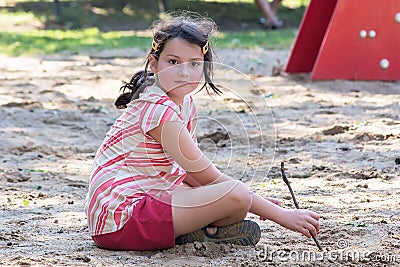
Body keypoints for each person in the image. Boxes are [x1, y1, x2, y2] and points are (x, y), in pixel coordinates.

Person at [84, 14, 320, 251]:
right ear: (154, 64)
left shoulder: (184, 104)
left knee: (235, 202)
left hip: (146, 205)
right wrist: (280, 214)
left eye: (194, 64)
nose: (184, 73)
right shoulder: (157, 110)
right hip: (121, 219)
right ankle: (198, 230)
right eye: (173, 62)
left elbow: (191, 175)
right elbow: (207, 176)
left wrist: (252, 201)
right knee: (236, 195)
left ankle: (199, 233)